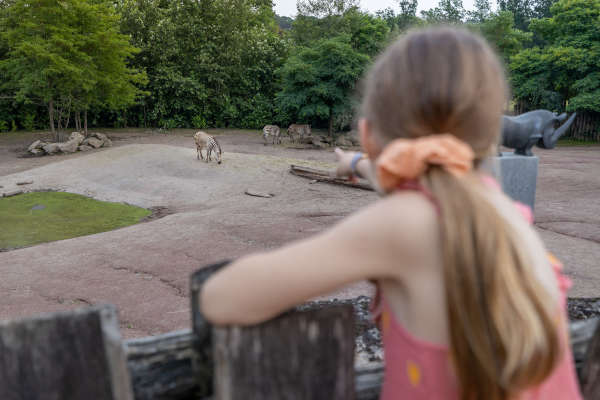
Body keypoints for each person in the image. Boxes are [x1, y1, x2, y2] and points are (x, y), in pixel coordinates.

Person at [200, 27, 582, 400]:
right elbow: (422, 179)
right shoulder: (500, 208)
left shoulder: (400, 226)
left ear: (369, 133)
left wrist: (363, 161)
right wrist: (355, 163)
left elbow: (220, 299)